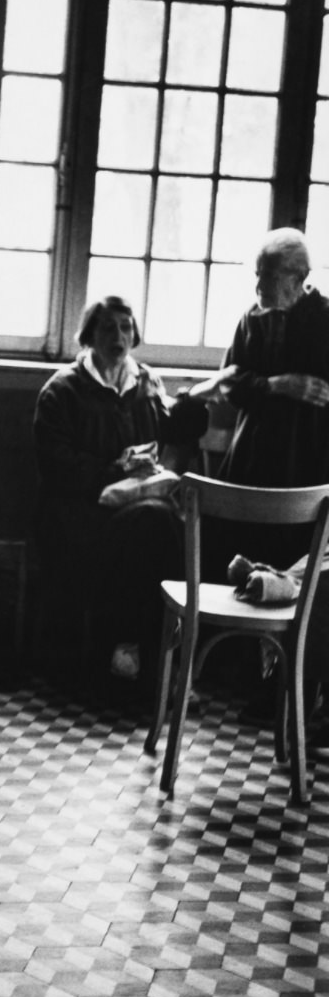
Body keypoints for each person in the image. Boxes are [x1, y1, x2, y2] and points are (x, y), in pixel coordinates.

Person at [33, 295, 206, 687]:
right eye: (108, 327)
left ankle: (144, 648)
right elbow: (56, 467)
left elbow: (171, 432)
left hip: (139, 506)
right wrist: (115, 469)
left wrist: (192, 408)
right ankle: (151, 654)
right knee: (156, 526)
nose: (119, 336)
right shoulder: (63, 390)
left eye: (126, 327)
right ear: (90, 335)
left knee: (169, 523)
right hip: (78, 511)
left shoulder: (145, 382)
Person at [190, 229, 329, 562]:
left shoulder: (324, 320)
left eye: (269, 275)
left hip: (310, 453)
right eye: (257, 274)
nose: (259, 286)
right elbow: (230, 385)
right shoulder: (251, 320)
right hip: (253, 451)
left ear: (300, 278)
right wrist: (276, 385)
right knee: (225, 536)